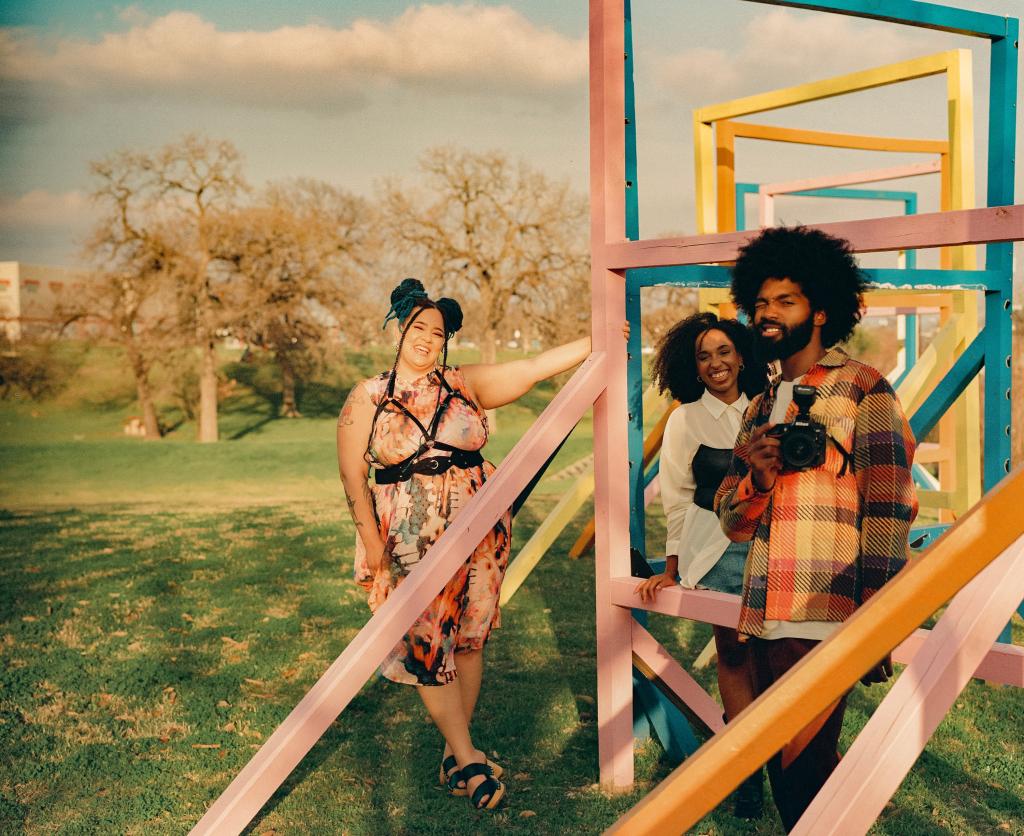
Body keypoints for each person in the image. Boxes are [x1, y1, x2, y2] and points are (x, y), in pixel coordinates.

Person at [336, 278, 593, 811]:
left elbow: (533, 368)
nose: (427, 338)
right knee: (428, 646)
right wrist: (374, 549)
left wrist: (606, 337)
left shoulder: (463, 384)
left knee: (470, 639)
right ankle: (470, 760)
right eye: (418, 327)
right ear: (398, 327)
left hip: (481, 529)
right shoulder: (367, 396)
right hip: (411, 535)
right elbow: (351, 480)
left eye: (438, 331)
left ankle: (457, 754)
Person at [715, 226, 918, 832]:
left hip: (827, 611)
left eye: (786, 301)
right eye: (761, 302)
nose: (767, 313)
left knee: (805, 775)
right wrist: (754, 476)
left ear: (822, 310)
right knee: (786, 770)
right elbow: (730, 521)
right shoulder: (762, 403)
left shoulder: (864, 389)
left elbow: (889, 507)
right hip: (763, 611)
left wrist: (879, 620)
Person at [633, 312, 767, 819]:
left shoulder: (767, 407)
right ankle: (747, 776)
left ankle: (783, 755)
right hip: (714, 551)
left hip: (772, 545)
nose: (716, 364)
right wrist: (671, 566)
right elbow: (677, 500)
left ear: (742, 356)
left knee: (776, 656)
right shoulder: (686, 419)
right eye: (704, 356)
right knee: (733, 655)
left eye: (725, 352)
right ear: (693, 366)